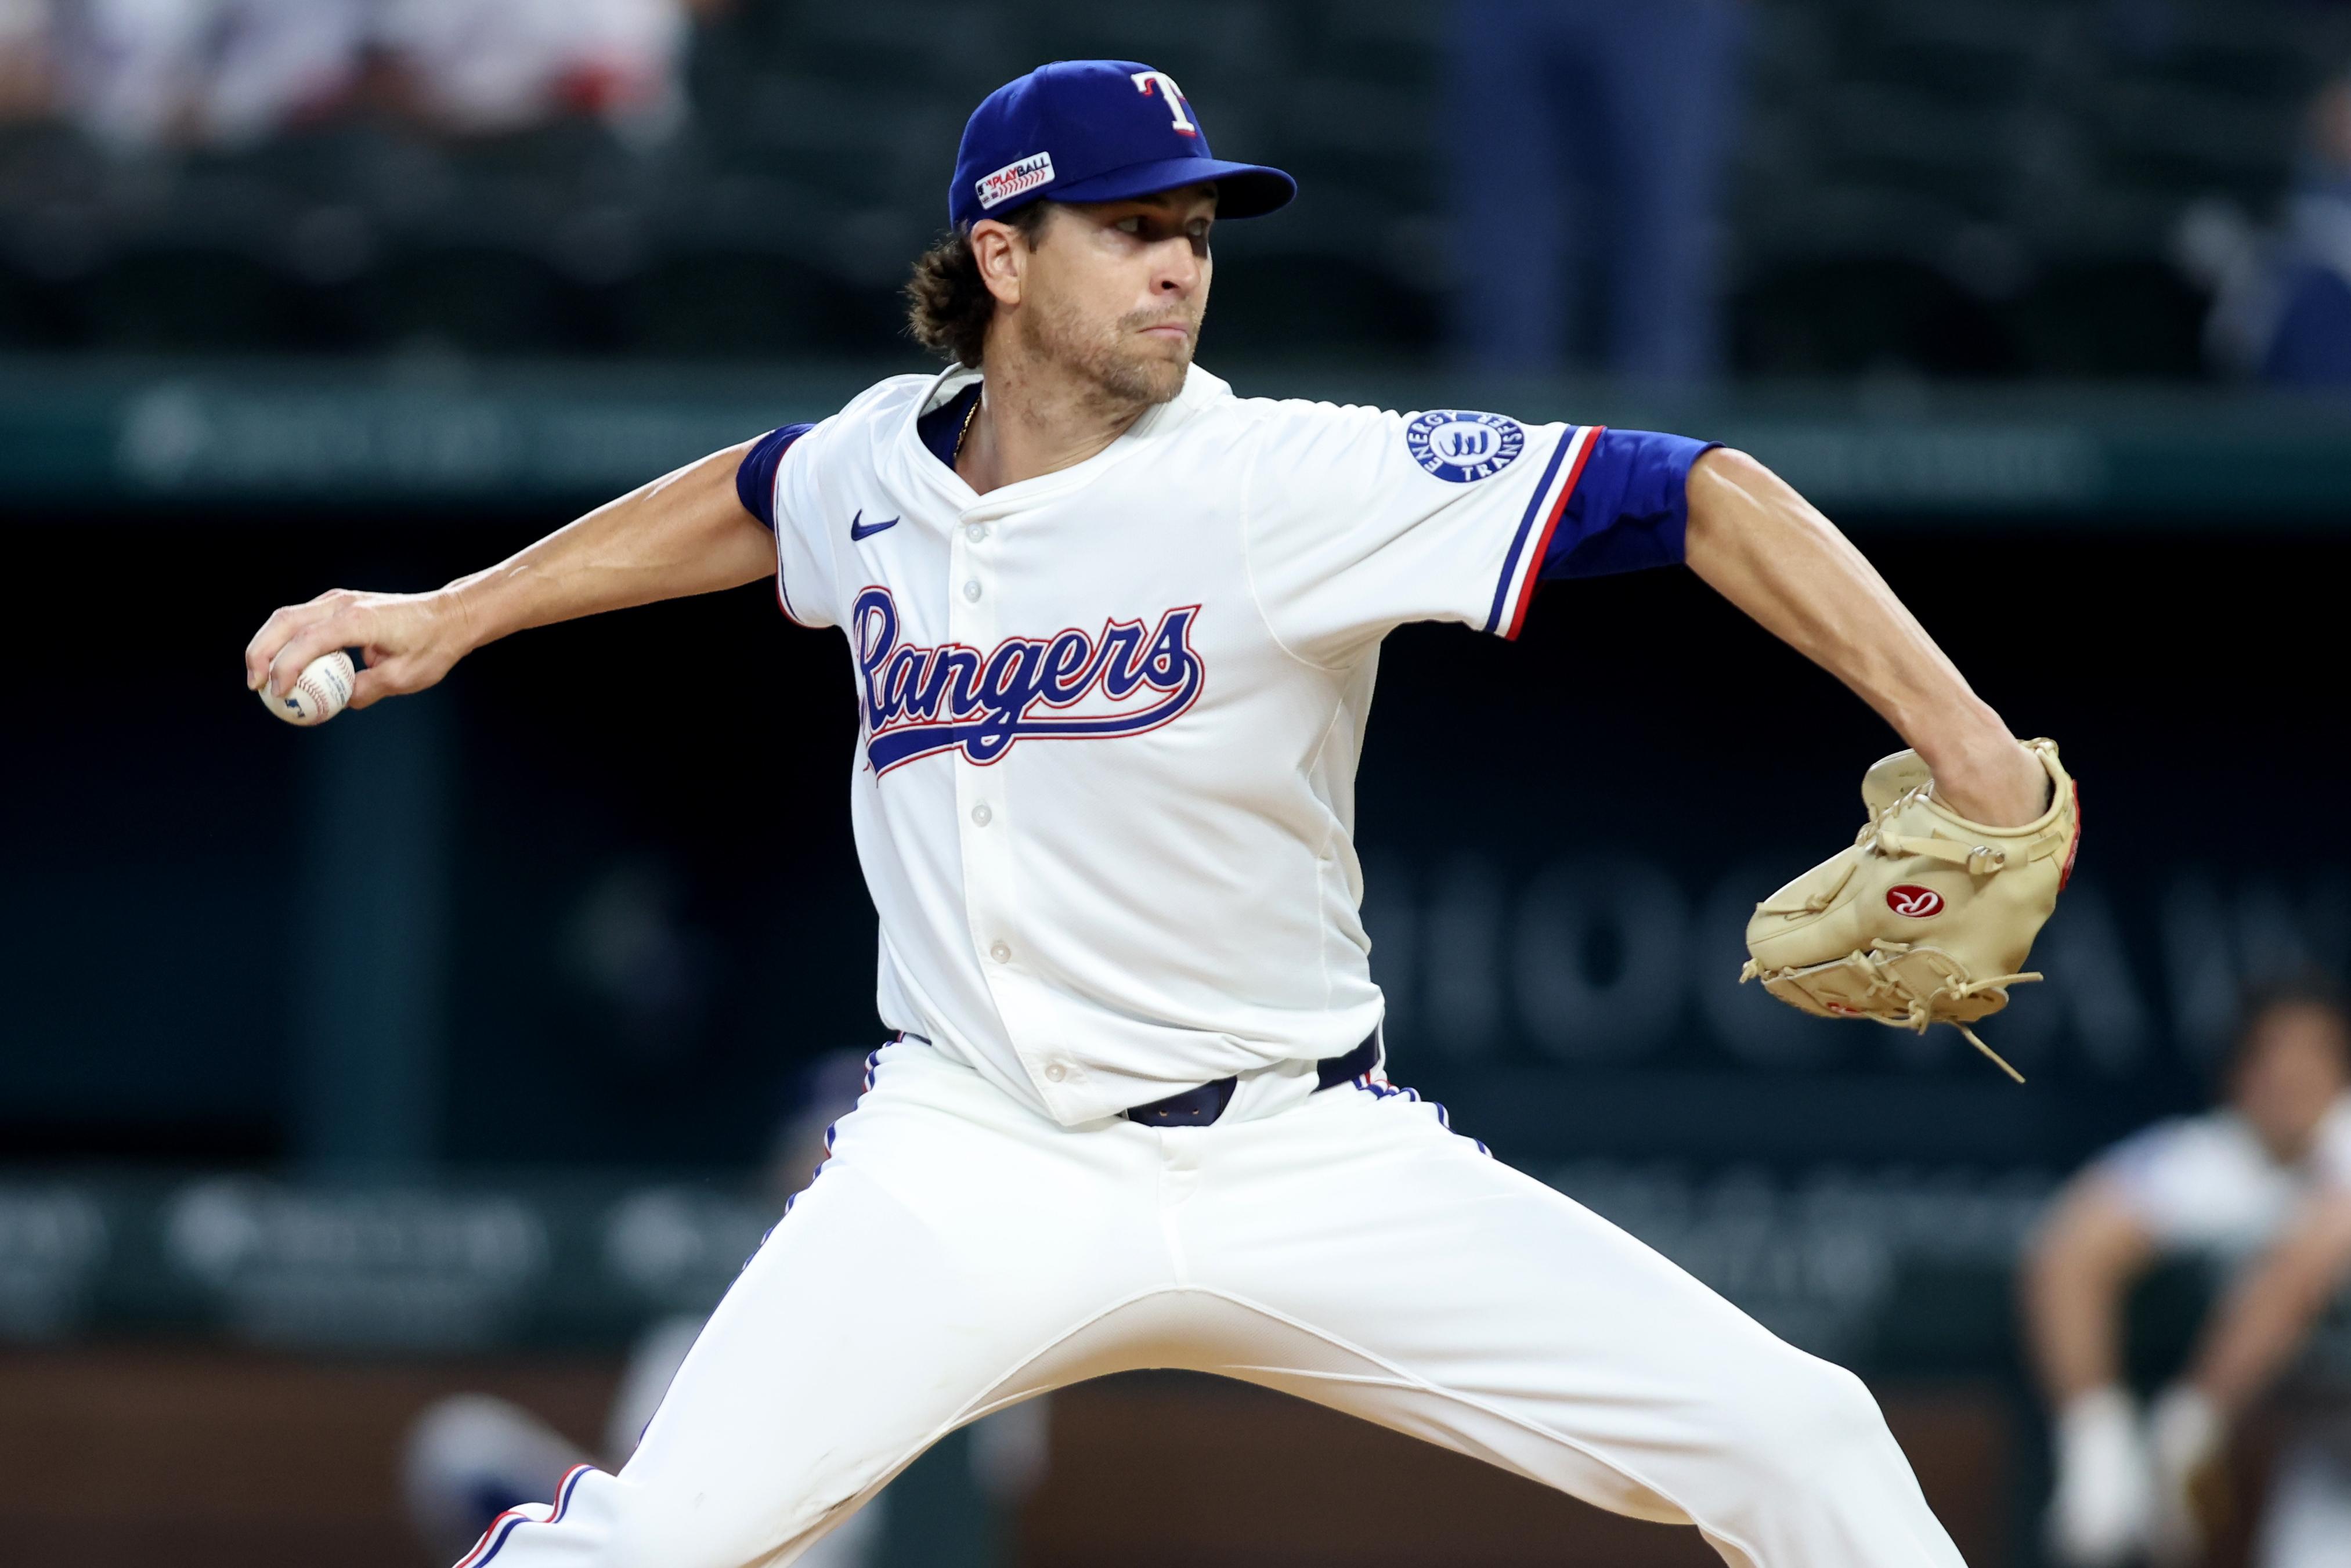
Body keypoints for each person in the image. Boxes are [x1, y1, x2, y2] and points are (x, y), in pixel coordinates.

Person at [246, 59, 2052, 1568]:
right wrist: (454, 613)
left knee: (1805, 1439)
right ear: (1001, 255)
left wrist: (1967, 745)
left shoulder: (1284, 477)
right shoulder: (883, 456)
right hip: (971, 1159)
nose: (1180, 267)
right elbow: (752, 495)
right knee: (637, 1550)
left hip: (1304, 1157)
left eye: (1193, 231)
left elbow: (1703, 493)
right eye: (1131, 229)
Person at [2023, 982, 2351, 1567]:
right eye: (2272, 1053)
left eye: (2313, 1053)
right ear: (2239, 1072)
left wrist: (2191, 1427)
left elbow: (2319, 1245)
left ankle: (2184, 1437)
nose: (2291, 1074)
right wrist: (2096, 1436)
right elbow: (2071, 1245)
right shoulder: (2215, 1155)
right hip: (2322, 1450)